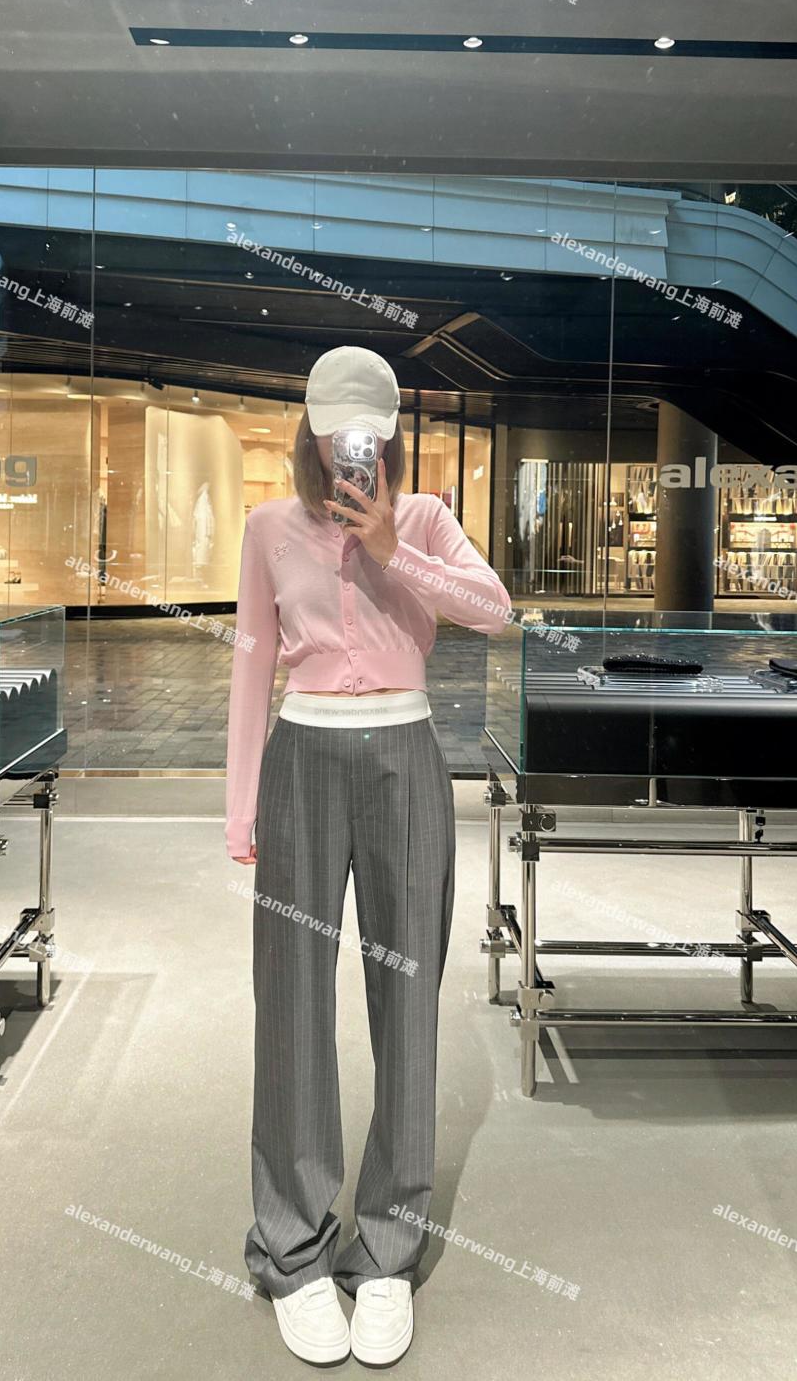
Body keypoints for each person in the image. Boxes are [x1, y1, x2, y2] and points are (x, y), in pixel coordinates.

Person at [225, 345, 511, 1366]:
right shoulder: (268, 527)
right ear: (307, 430)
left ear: (390, 437)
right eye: (337, 433)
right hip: (303, 755)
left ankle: (387, 1248)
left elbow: (495, 610)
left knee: (407, 998)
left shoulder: (424, 517)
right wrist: (240, 806)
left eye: (371, 435)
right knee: (292, 1002)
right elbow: (253, 661)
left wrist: (393, 547)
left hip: (406, 753)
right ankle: (293, 1246)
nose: (353, 451)